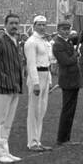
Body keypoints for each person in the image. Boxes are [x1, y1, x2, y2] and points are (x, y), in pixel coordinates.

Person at [0, 13, 25, 163]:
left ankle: (5, 151)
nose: (14, 26)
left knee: (8, 122)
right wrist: (1, 77)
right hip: (3, 86)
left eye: (16, 23)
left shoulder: (16, 41)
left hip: (15, 86)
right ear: (5, 25)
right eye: (11, 23)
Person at [24, 15, 52, 151]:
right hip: (37, 76)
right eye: (39, 24)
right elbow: (31, 64)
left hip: (45, 74)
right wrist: (35, 82)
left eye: (44, 25)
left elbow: (48, 60)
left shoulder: (44, 42)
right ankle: (32, 142)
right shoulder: (31, 42)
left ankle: (38, 140)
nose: (42, 27)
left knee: (42, 110)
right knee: (34, 110)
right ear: (34, 26)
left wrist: (49, 79)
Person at [52, 21, 83, 144]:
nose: (66, 31)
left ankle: (66, 137)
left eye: (68, 29)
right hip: (67, 79)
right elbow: (65, 61)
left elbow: (82, 37)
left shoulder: (68, 41)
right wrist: (75, 55)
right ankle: (62, 138)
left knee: (71, 110)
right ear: (58, 29)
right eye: (64, 29)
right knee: (67, 110)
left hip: (74, 79)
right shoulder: (58, 44)